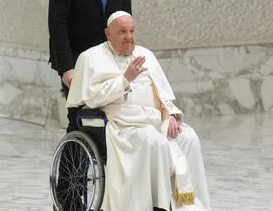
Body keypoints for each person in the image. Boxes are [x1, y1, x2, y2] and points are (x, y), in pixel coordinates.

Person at [67, 11, 211, 211]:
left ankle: (188, 206)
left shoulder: (147, 55)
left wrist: (170, 115)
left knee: (189, 138)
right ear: (108, 34)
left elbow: (163, 95)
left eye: (132, 31)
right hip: (122, 126)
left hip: (156, 121)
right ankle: (156, 206)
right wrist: (125, 79)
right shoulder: (90, 58)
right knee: (154, 141)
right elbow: (89, 99)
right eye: (122, 32)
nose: (129, 37)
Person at [48, 0, 132, 132]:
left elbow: (125, 18)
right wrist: (66, 67)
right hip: (76, 61)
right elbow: (58, 22)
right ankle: (71, 165)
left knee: (112, 122)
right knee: (79, 121)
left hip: (110, 62)